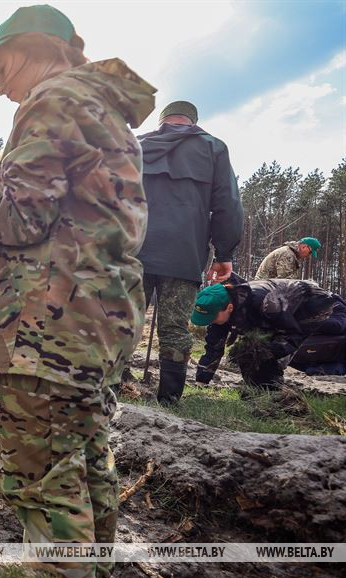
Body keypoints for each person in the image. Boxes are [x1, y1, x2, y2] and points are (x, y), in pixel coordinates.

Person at [0, 5, 155, 577]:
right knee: (86, 465)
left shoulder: (51, 102)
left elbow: (20, 220)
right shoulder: (106, 113)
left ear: (33, 48)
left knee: (42, 481)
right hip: (97, 319)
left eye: (2, 68)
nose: (0, 90)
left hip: (49, 324)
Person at [135, 100, 243, 404]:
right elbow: (228, 205)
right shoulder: (213, 148)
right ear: (193, 121)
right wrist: (224, 253)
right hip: (183, 255)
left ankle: (109, 390)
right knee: (174, 328)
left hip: (131, 251)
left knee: (123, 323)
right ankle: (169, 400)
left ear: (163, 121)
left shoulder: (135, 145)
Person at [193, 278, 346, 387]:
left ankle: (272, 391)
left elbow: (292, 334)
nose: (210, 321)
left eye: (212, 317)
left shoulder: (267, 304)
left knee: (264, 352)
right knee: (250, 354)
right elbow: (214, 347)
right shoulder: (221, 313)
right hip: (281, 316)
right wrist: (202, 380)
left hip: (321, 307)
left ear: (229, 308)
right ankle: (261, 388)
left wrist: (270, 353)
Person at [255, 237, 321, 280]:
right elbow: (285, 281)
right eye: (310, 252)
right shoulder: (287, 254)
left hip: (266, 288)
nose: (308, 256)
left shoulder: (291, 254)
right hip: (264, 290)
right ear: (304, 247)